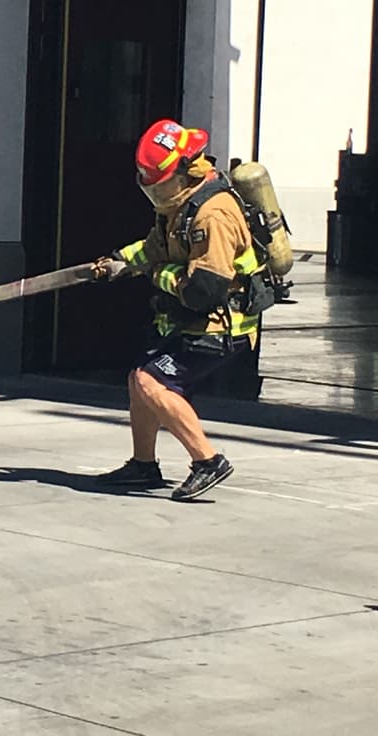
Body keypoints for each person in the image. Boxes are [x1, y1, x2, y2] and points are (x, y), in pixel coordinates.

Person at [93, 119, 268, 501]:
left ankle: (208, 461)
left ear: (185, 171)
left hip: (222, 325)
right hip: (194, 319)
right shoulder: (180, 205)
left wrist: (154, 274)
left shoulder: (212, 214)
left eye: (161, 185)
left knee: (151, 382)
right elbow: (156, 247)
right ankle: (143, 465)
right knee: (138, 380)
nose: (157, 193)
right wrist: (119, 260)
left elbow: (204, 289)